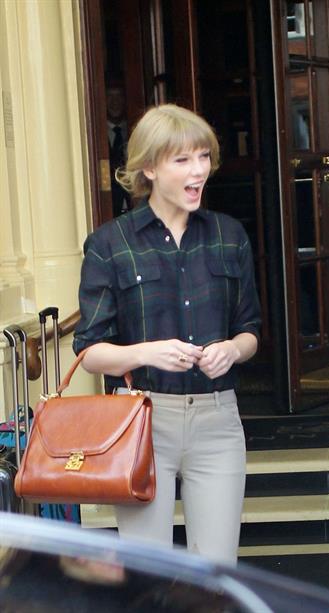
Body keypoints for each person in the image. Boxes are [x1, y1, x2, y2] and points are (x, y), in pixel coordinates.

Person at [73, 104, 261, 564]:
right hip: (141, 424)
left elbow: (250, 331)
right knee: (147, 572)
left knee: (217, 573)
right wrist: (147, 353)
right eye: (183, 160)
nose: (198, 171)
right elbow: (89, 352)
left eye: (203, 157)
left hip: (218, 420)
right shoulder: (109, 244)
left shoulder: (228, 234)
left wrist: (231, 351)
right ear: (149, 168)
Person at [106, 81, 131, 217]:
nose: (114, 102)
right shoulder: (97, 135)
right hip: (109, 211)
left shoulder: (135, 131)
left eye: (119, 96)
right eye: (109, 96)